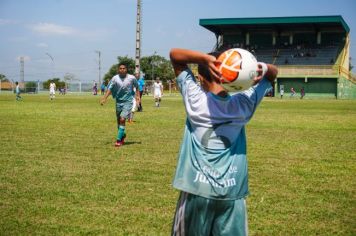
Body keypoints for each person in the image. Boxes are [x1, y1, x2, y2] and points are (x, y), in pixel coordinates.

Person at [169, 48, 278, 236]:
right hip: (232, 193)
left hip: (196, 190)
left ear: (201, 79)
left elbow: (175, 56)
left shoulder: (195, 101)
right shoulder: (243, 105)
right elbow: (273, 73)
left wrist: (205, 58)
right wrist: (258, 68)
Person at [100, 63, 140, 147]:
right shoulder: (115, 78)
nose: (122, 70)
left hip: (128, 102)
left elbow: (137, 87)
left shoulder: (131, 78)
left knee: (122, 119)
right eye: (120, 68)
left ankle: (118, 140)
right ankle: (122, 134)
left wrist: (137, 97)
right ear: (118, 70)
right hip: (118, 102)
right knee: (119, 121)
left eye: (124, 68)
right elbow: (110, 89)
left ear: (126, 69)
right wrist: (104, 98)